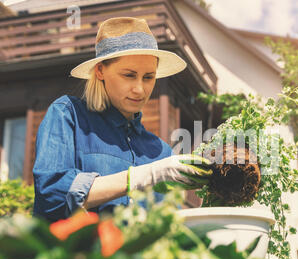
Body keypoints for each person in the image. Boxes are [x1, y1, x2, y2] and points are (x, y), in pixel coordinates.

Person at [32, 17, 212, 222]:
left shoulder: (161, 152)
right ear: (100, 71)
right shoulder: (68, 115)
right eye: (129, 75)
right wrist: (140, 176)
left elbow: (169, 227)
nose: (140, 89)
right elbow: (52, 194)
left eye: (148, 77)